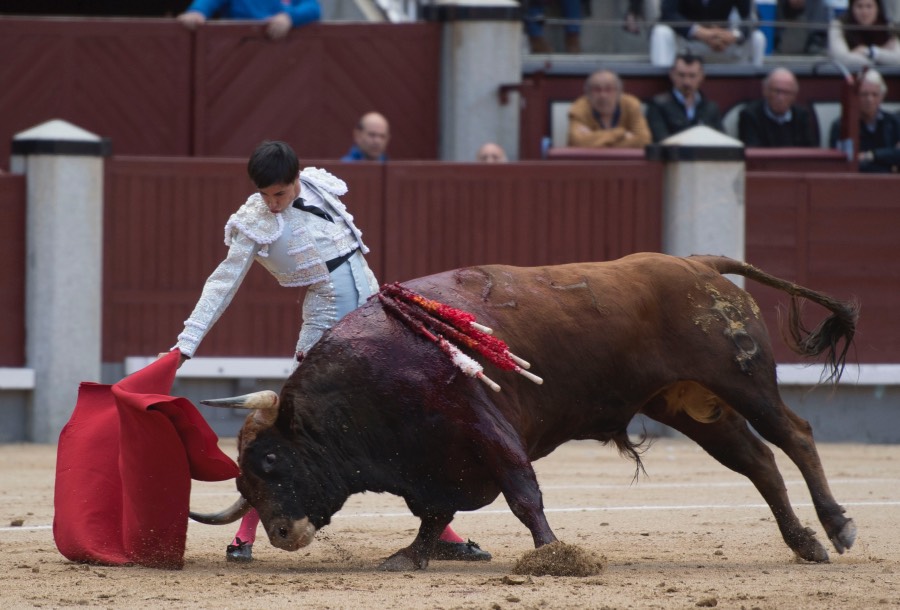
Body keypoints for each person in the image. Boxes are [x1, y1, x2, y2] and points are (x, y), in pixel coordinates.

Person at [165, 141, 491, 563]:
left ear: (297, 178)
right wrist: (186, 344)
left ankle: (441, 533)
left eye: (280, 193)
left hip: (375, 319)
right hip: (326, 329)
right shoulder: (253, 222)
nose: (272, 203)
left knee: (399, 425)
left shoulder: (320, 186)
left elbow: (354, 259)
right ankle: (244, 535)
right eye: (264, 194)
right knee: (286, 430)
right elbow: (222, 283)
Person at [650, 0, 767, 67]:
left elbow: (754, 17)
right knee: (661, 32)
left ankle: (754, 89)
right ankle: (661, 84)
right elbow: (667, 14)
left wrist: (734, 35)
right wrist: (699, 32)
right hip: (688, 42)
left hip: (722, 43)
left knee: (758, 38)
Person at [829, 69, 900, 172]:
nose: (869, 99)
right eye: (864, 94)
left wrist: (871, 155)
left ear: (882, 97)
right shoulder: (842, 125)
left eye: (874, 94)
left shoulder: (894, 122)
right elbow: (843, 160)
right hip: (856, 178)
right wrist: (888, 157)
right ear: (855, 97)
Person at [645, 53, 724, 142]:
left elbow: (722, 141)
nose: (686, 82)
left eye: (692, 76)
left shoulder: (711, 108)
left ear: (701, 76)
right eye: (681, 75)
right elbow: (661, 140)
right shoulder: (658, 105)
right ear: (672, 74)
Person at [567, 70, 652, 148]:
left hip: (624, 159)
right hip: (589, 159)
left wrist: (594, 140)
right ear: (588, 93)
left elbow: (644, 141)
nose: (603, 95)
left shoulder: (631, 105)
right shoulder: (579, 108)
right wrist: (620, 133)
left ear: (619, 92)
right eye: (597, 90)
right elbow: (577, 142)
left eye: (608, 89)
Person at [738, 67, 819, 147]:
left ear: (794, 96)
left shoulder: (801, 116)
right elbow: (752, 150)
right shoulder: (750, 115)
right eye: (776, 91)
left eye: (786, 92)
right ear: (765, 91)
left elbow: (810, 149)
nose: (780, 98)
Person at [176, 0, 321, 40]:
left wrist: (290, 17)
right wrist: (197, 12)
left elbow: (313, 8)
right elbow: (208, 2)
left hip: (286, 59)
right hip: (238, 55)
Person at [828, 0, 900, 68]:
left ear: (878, 8)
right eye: (859, 6)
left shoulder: (887, 27)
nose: (864, 12)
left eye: (869, 6)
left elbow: (898, 59)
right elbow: (842, 58)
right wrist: (883, 58)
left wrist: (869, 52)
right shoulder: (838, 25)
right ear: (851, 8)